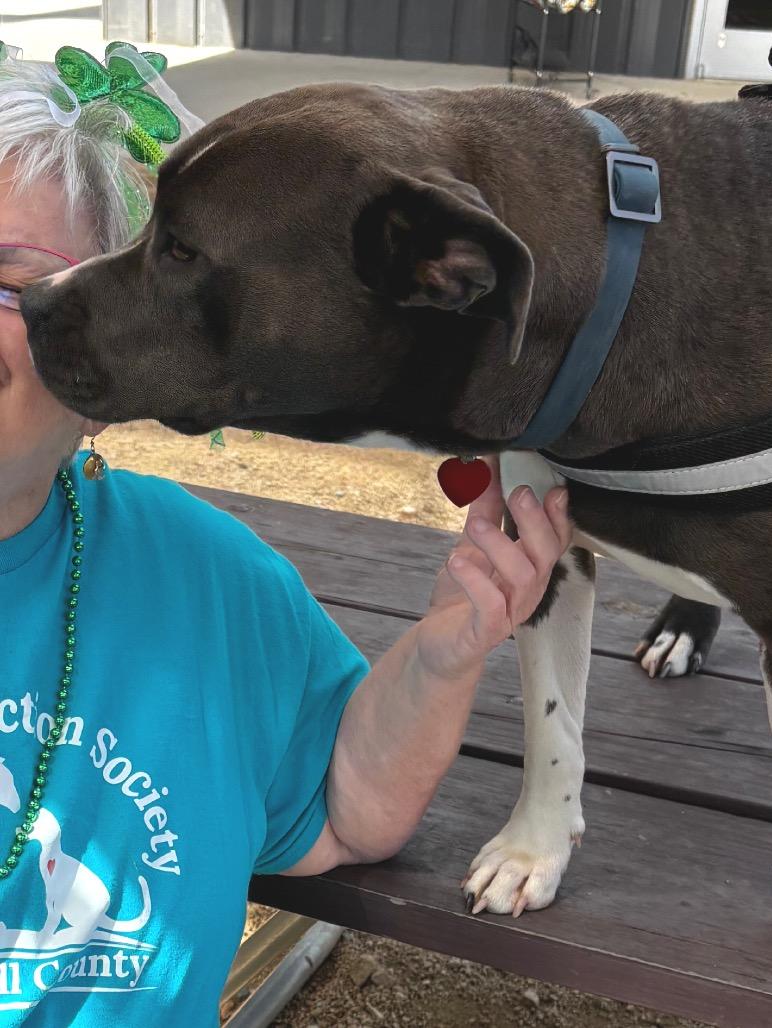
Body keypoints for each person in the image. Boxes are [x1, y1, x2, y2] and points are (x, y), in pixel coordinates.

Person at [0, 44, 571, 1026]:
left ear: (97, 374)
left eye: (12, 280)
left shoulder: (206, 584)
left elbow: (343, 806)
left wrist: (443, 652)